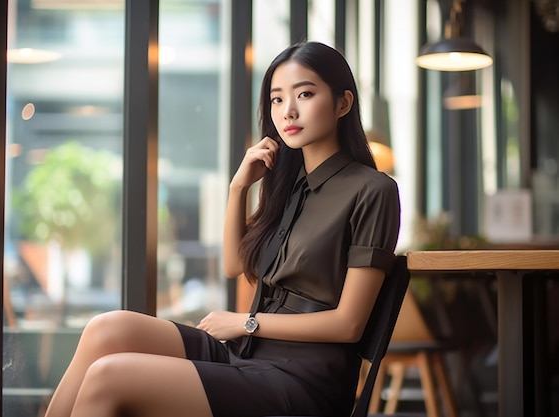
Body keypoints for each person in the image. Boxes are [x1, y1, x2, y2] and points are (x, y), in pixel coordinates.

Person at [43, 41, 400, 417]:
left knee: (109, 377)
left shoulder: (372, 190)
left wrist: (245, 323)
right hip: (247, 355)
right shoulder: (292, 186)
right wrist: (238, 188)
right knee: (107, 329)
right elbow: (234, 265)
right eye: (277, 100)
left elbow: (349, 324)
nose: (288, 111)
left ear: (343, 103)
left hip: (301, 381)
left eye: (305, 94)